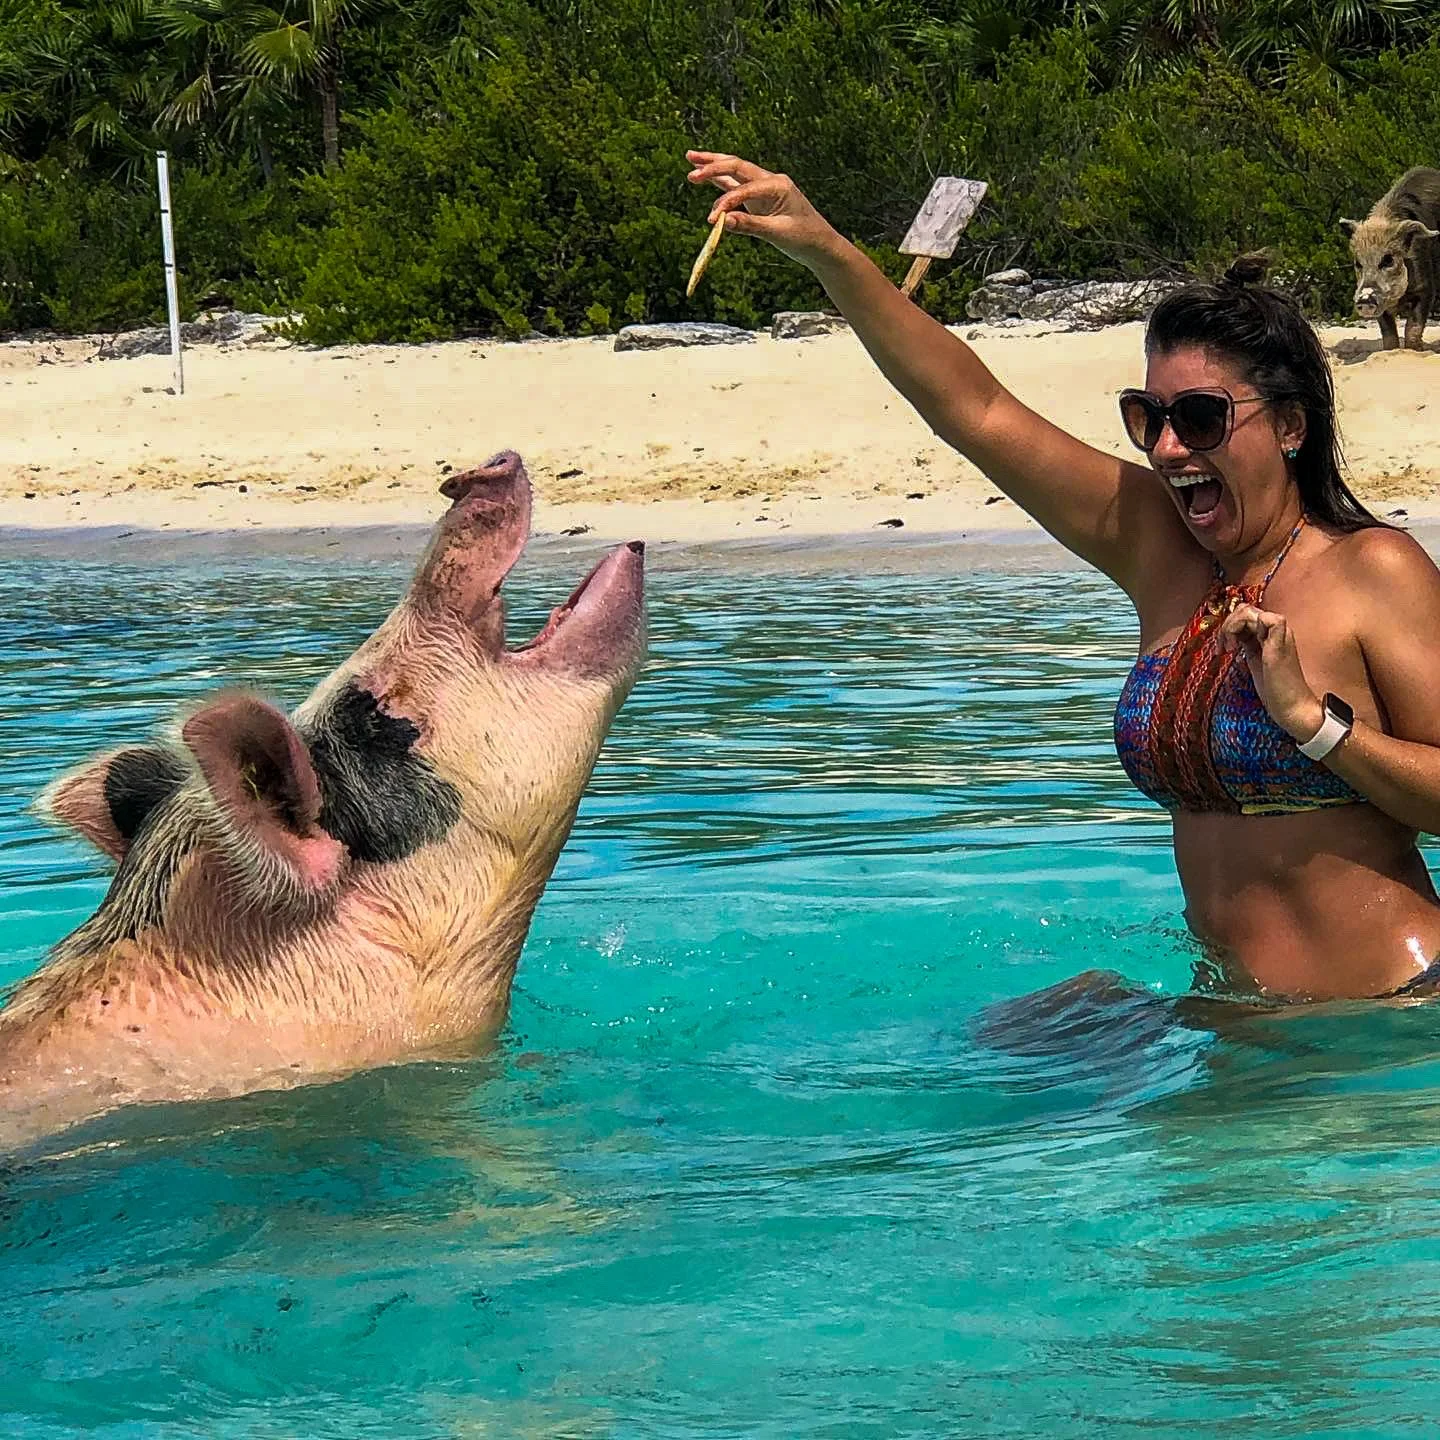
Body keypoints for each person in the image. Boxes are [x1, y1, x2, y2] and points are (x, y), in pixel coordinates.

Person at [687, 150, 1440, 1003]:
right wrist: (825, 247)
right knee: (1006, 1043)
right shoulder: (1164, 553)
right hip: (1233, 1022)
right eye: (1146, 418)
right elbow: (976, 410)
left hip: (1390, 1026)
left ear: (1292, 424)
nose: (1167, 447)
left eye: (1199, 419)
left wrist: (1315, 725)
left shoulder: (1370, 569)